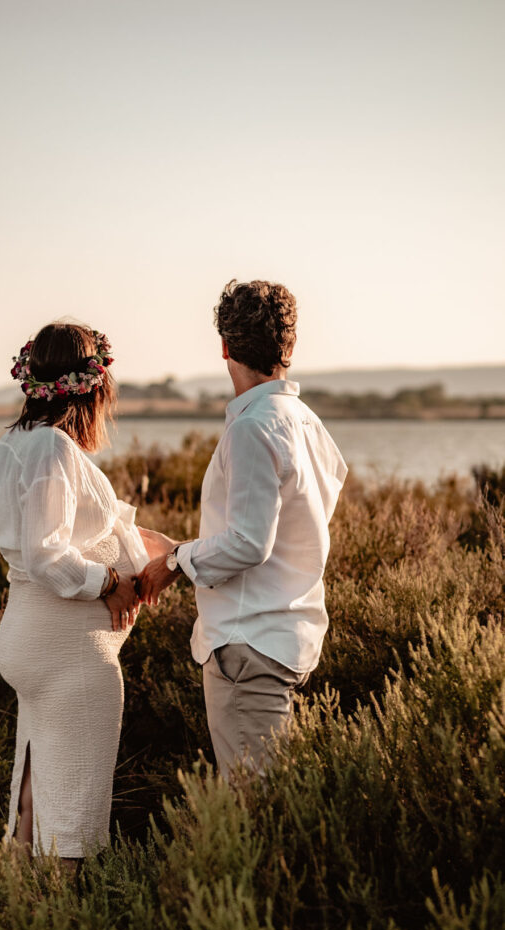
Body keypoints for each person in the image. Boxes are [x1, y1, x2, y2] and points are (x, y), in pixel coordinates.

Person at [138, 280, 348, 777]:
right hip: (286, 639)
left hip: (249, 643)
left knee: (252, 807)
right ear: (288, 347)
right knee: (271, 803)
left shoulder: (254, 426)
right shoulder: (308, 423)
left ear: (225, 347)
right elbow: (293, 527)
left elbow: (251, 543)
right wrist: (187, 549)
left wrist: (176, 562)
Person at [0, 322, 173, 869]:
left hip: (32, 635)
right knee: (73, 804)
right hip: (66, 650)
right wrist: (110, 583)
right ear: (94, 386)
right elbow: (47, 553)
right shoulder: (52, 448)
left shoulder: (13, 444)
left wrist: (171, 551)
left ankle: (18, 904)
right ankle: (59, 913)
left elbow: (86, 530)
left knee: (36, 784)